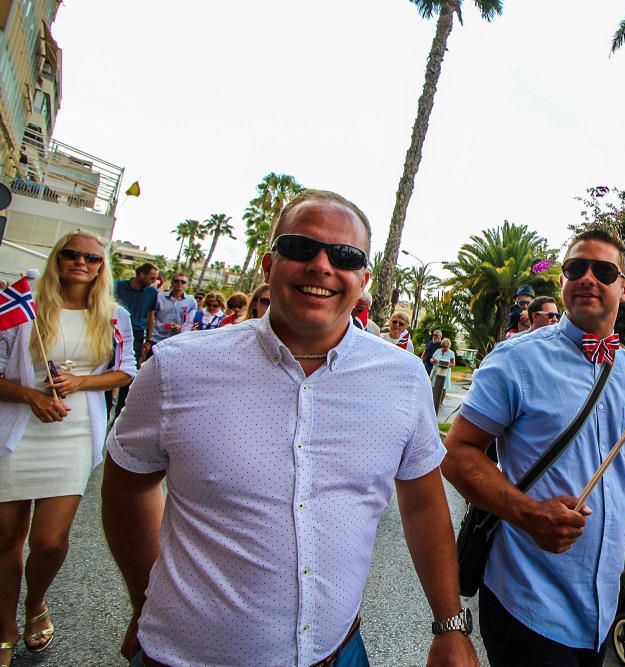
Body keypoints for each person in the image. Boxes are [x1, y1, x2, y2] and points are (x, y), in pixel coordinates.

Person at [102, 189, 477, 667]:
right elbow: (126, 485)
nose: (322, 265)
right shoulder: (179, 369)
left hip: (339, 653)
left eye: (344, 256)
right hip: (186, 655)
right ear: (268, 265)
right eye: (302, 248)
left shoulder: (402, 379)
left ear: (362, 280)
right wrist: (145, 597)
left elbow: (424, 503)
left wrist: (449, 627)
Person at [442, 226, 625, 666]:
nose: (588, 277)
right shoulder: (517, 360)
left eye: (603, 271)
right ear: (563, 280)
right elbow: (458, 452)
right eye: (576, 267)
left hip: (602, 614)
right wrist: (527, 513)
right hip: (526, 603)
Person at [0, 230, 137, 664]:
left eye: (92, 258)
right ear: (58, 258)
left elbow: (126, 371)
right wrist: (32, 396)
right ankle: (4, 624)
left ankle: (35, 601)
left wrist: (81, 382)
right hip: (19, 430)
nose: (81, 262)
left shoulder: (114, 316)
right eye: (72, 254)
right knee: (5, 537)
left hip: (74, 433)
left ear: (102, 267)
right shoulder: (22, 309)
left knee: (50, 541)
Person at [114, 262, 159, 364]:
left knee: (130, 362)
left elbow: (150, 315)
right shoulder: (117, 286)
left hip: (136, 334)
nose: (154, 281)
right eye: (152, 278)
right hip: (115, 330)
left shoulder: (152, 292)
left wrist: (148, 340)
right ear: (142, 275)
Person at [150, 274, 197, 347]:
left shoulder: (192, 302)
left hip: (176, 340)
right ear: (172, 282)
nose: (179, 283)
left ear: (187, 284)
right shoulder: (159, 296)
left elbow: (191, 322)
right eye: (176, 281)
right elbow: (151, 316)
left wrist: (181, 326)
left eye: (183, 282)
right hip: (156, 338)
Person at [429, 337, 456, 409]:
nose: (444, 348)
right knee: (433, 386)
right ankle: (432, 401)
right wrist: (432, 361)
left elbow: (453, 364)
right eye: (443, 346)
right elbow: (431, 358)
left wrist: (445, 364)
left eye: (446, 347)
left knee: (443, 388)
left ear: (449, 346)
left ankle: (440, 402)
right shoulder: (438, 351)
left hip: (445, 373)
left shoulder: (451, 353)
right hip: (435, 372)